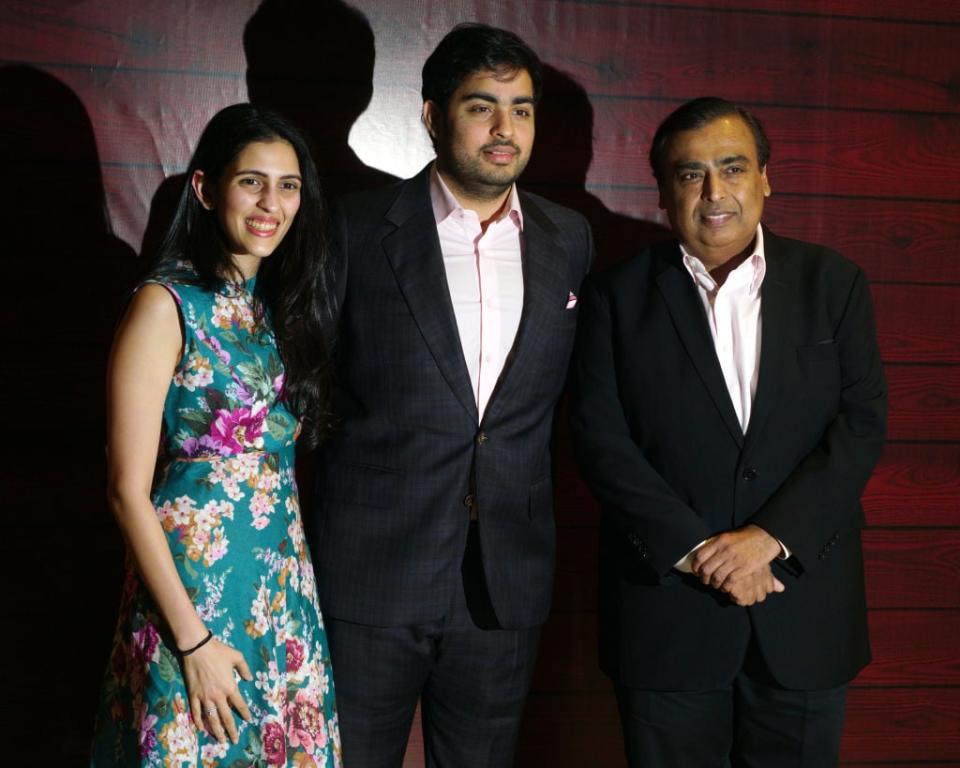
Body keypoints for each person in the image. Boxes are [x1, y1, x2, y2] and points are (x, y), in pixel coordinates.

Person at [569, 97, 887, 766]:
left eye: (733, 168)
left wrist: (768, 541)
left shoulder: (835, 285)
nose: (715, 193)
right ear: (662, 190)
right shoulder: (615, 299)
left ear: (765, 177)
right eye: (690, 174)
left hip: (803, 611)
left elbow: (860, 427)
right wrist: (700, 550)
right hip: (668, 617)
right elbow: (601, 443)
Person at [311, 22, 593, 767]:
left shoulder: (570, 239)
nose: (506, 129)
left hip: (504, 583)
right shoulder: (352, 228)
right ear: (433, 115)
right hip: (371, 573)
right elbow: (305, 391)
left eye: (523, 108)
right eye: (482, 106)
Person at [91, 104, 341, 767]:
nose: (271, 203)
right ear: (206, 190)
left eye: (288, 186)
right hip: (189, 603)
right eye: (250, 181)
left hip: (279, 597)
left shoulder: (281, 311)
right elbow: (124, 490)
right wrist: (192, 641)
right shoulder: (164, 304)